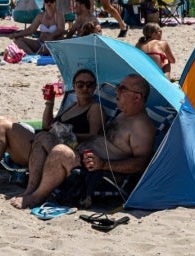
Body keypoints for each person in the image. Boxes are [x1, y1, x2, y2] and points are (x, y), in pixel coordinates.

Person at [10, 74, 156, 209]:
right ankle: (30, 189)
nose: (116, 91)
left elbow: (141, 164)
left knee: (60, 152)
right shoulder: (123, 115)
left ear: (137, 98)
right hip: (84, 159)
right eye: (118, 87)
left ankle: (37, 197)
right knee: (43, 137)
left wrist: (103, 164)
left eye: (122, 89)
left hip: (99, 173)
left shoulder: (142, 126)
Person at [0, 69, 104, 189]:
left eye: (89, 85)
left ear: (94, 87)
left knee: (2, 126)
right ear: (74, 86)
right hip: (44, 141)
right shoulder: (72, 106)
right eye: (80, 84)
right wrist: (50, 101)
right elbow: (46, 126)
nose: (85, 88)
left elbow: (94, 136)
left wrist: (70, 135)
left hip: (50, 151)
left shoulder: (95, 108)